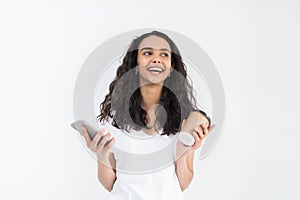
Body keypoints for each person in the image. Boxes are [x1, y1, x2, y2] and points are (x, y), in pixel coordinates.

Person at [81, 31, 214, 200]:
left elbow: (183, 183)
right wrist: (102, 156)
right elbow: (110, 184)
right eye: (148, 53)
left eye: (164, 54)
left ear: (171, 67)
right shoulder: (115, 118)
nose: (157, 59)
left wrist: (183, 151)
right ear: (135, 65)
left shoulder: (184, 120)